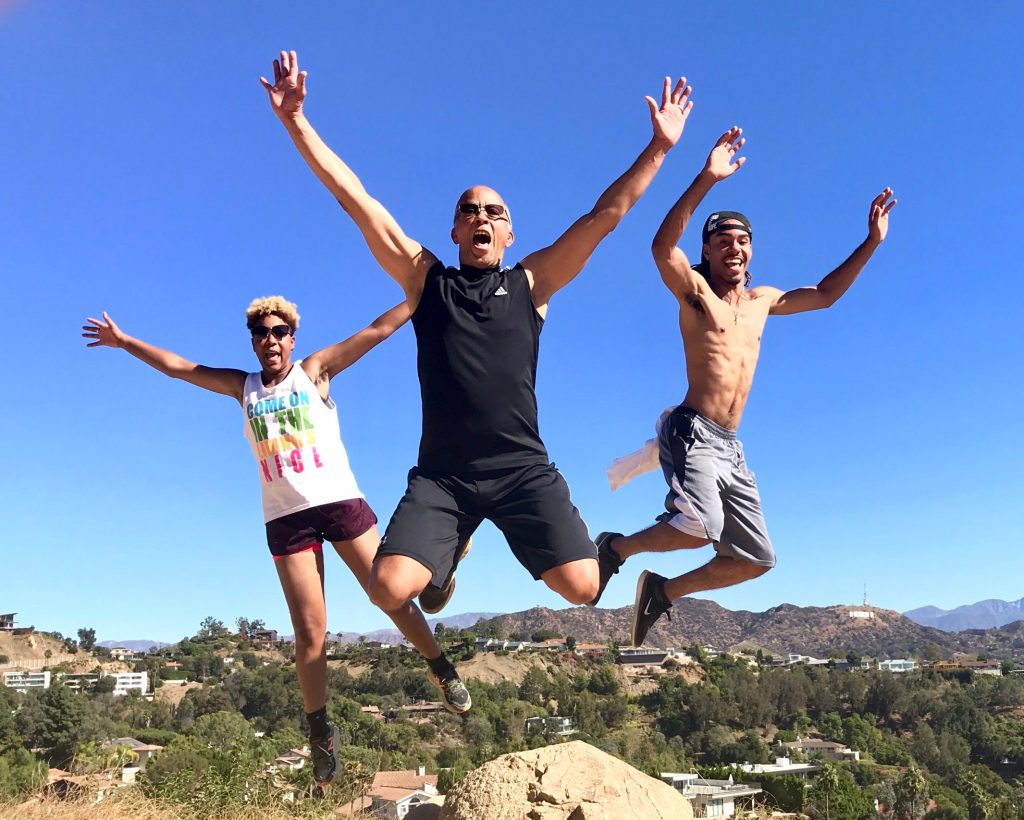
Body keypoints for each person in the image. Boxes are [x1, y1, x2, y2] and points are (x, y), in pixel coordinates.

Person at [260, 51, 694, 615]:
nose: (481, 217)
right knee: (387, 588)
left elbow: (603, 218)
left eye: (494, 211)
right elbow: (356, 199)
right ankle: (450, 551)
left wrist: (658, 147)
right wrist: (296, 121)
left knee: (585, 587)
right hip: (443, 476)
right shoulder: (426, 279)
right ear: (456, 228)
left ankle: (553, 550)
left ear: (509, 233)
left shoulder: (531, 284)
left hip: (521, 470)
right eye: (470, 210)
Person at [82, 297, 471, 785]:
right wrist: (124, 342)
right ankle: (321, 735)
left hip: (339, 502)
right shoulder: (242, 388)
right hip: (286, 519)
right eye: (261, 332)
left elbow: (374, 331)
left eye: (279, 331)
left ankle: (441, 667)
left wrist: (425, 292)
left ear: (292, 337)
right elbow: (180, 368)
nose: (270, 339)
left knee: (389, 597)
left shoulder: (314, 372)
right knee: (310, 632)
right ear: (254, 341)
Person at [588, 127, 896, 647]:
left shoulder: (762, 301)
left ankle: (663, 592)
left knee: (757, 559)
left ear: (751, 252)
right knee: (701, 527)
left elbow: (823, 295)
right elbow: (662, 246)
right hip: (692, 431)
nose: (734, 247)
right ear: (706, 251)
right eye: (722, 240)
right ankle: (616, 549)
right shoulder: (696, 293)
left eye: (742, 240)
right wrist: (706, 176)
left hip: (731, 447)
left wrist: (869, 243)